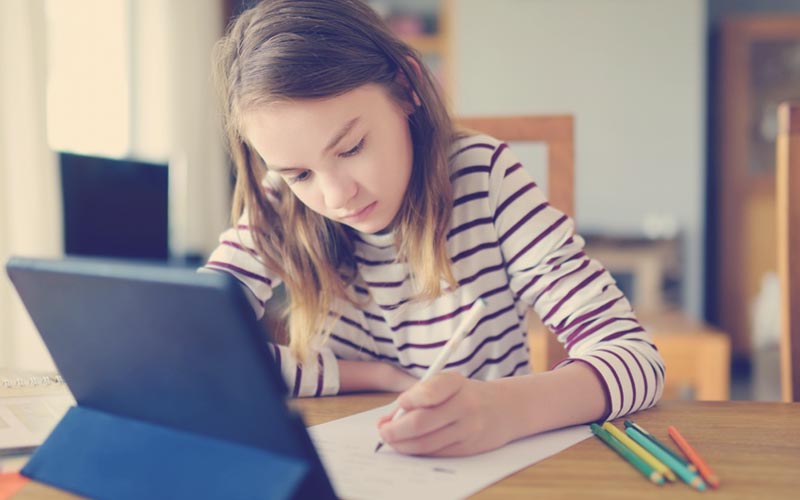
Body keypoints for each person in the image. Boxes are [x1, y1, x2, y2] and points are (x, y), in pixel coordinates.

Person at [205, 0, 664, 458]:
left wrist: (506, 410)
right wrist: (374, 375)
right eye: (300, 174)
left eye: (351, 148)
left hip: (486, 466)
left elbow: (635, 358)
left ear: (406, 86)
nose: (336, 196)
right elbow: (197, 350)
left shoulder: (485, 178)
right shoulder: (279, 202)